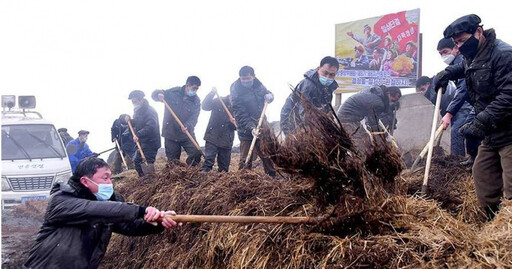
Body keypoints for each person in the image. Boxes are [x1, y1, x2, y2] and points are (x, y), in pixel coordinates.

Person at [23, 157, 178, 269]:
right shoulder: (61, 201)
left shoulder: (105, 205)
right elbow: (94, 210)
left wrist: (158, 222)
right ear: (85, 181)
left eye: (110, 178)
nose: (110, 183)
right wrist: (141, 210)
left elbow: (129, 226)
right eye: (105, 178)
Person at [434, 14, 512, 219]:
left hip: (509, 132)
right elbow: (468, 67)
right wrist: (450, 72)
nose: (459, 46)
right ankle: (491, 225)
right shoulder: (473, 53)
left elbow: (509, 95)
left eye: (462, 40)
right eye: (456, 43)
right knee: (483, 180)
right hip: (491, 134)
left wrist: (481, 121)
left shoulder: (504, 55)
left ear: (478, 32)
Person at [436, 37, 481, 164]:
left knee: (462, 129)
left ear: (456, 48)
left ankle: (461, 161)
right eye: (440, 54)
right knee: (468, 129)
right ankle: (473, 160)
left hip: (483, 102)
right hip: (477, 103)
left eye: (445, 51)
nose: (443, 56)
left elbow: (464, 88)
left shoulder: (461, 59)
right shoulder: (456, 63)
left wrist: (449, 114)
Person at [230, 66, 276, 177]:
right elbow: (240, 114)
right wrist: (251, 128)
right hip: (245, 128)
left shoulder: (258, 85)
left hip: (261, 124)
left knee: (266, 154)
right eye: (243, 79)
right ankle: (243, 179)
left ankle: (272, 176)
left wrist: (270, 96)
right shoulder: (236, 90)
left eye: (248, 78)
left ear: (253, 77)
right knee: (246, 157)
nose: (245, 81)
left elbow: (267, 94)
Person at [280, 56, 340, 135]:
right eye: (325, 73)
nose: (327, 77)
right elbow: (304, 112)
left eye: (332, 75)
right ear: (318, 68)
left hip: (311, 119)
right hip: (292, 119)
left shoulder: (328, 88)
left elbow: (327, 108)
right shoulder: (308, 86)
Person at [416, 75, 472, 157]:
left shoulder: (438, 84)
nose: (422, 92)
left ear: (428, 84)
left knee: (456, 131)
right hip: (454, 112)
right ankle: (458, 157)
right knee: (456, 132)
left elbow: (446, 99)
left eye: (422, 89)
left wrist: (446, 115)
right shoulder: (431, 93)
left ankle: (458, 159)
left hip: (463, 109)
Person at [152, 76, 202, 166]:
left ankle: (190, 170)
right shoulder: (173, 92)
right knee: (173, 162)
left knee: (196, 153)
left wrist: (188, 125)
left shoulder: (196, 101)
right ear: (187, 85)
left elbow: (194, 117)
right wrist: (158, 94)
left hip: (186, 132)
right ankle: (178, 173)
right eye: (193, 88)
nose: (195, 91)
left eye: (197, 89)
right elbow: (156, 94)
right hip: (170, 133)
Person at [336, 85, 402, 153]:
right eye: (392, 100)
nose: (392, 102)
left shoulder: (375, 94)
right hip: (346, 119)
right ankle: (358, 161)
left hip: (353, 119)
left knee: (366, 139)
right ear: (388, 93)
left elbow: (374, 117)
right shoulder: (378, 102)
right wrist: (383, 137)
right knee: (360, 145)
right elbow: (372, 123)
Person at [201, 87, 236, 172]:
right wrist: (211, 94)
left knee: (224, 168)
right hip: (212, 136)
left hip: (227, 139)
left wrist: (235, 123)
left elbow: (240, 126)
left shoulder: (239, 107)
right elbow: (205, 106)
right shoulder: (219, 101)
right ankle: (204, 179)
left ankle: (221, 184)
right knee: (208, 162)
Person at [126, 90, 161, 177]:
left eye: (134, 101)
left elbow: (151, 126)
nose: (133, 103)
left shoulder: (149, 111)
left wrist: (138, 134)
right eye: (132, 101)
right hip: (142, 142)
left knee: (148, 162)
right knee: (137, 161)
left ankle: (151, 180)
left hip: (151, 142)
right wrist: (130, 121)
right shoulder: (138, 111)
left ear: (140, 99)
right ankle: (143, 179)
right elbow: (138, 123)